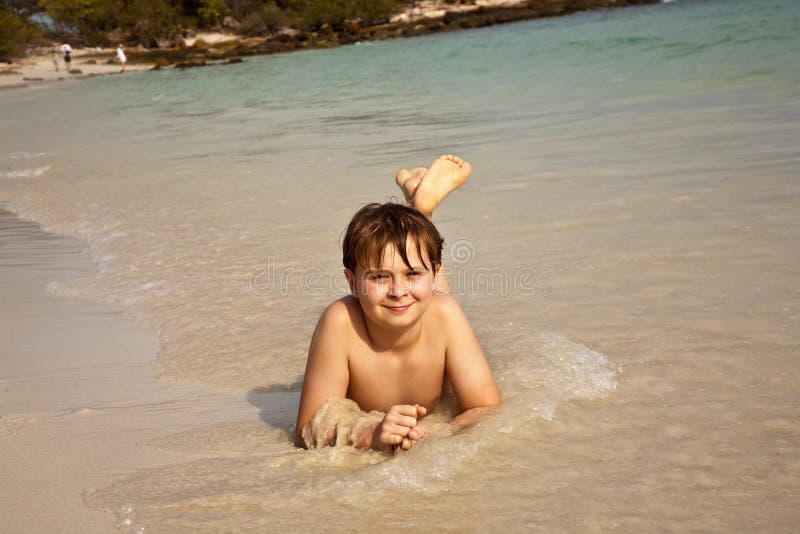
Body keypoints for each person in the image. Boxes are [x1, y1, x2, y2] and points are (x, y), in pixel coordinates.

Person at [294, 155, 501, 453]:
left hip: (435, 306)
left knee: (436, 297)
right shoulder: (341, 322)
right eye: (379, 277)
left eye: (412, 275)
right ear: (352, 283)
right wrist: (370, 433)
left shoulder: (445, 314)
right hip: (421, 298)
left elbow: (486, 409)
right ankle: (420, 209)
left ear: (436, 272)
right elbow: (306, 430)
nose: (397, 291)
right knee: (417, 270)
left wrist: (437, 430)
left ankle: (421, 210)